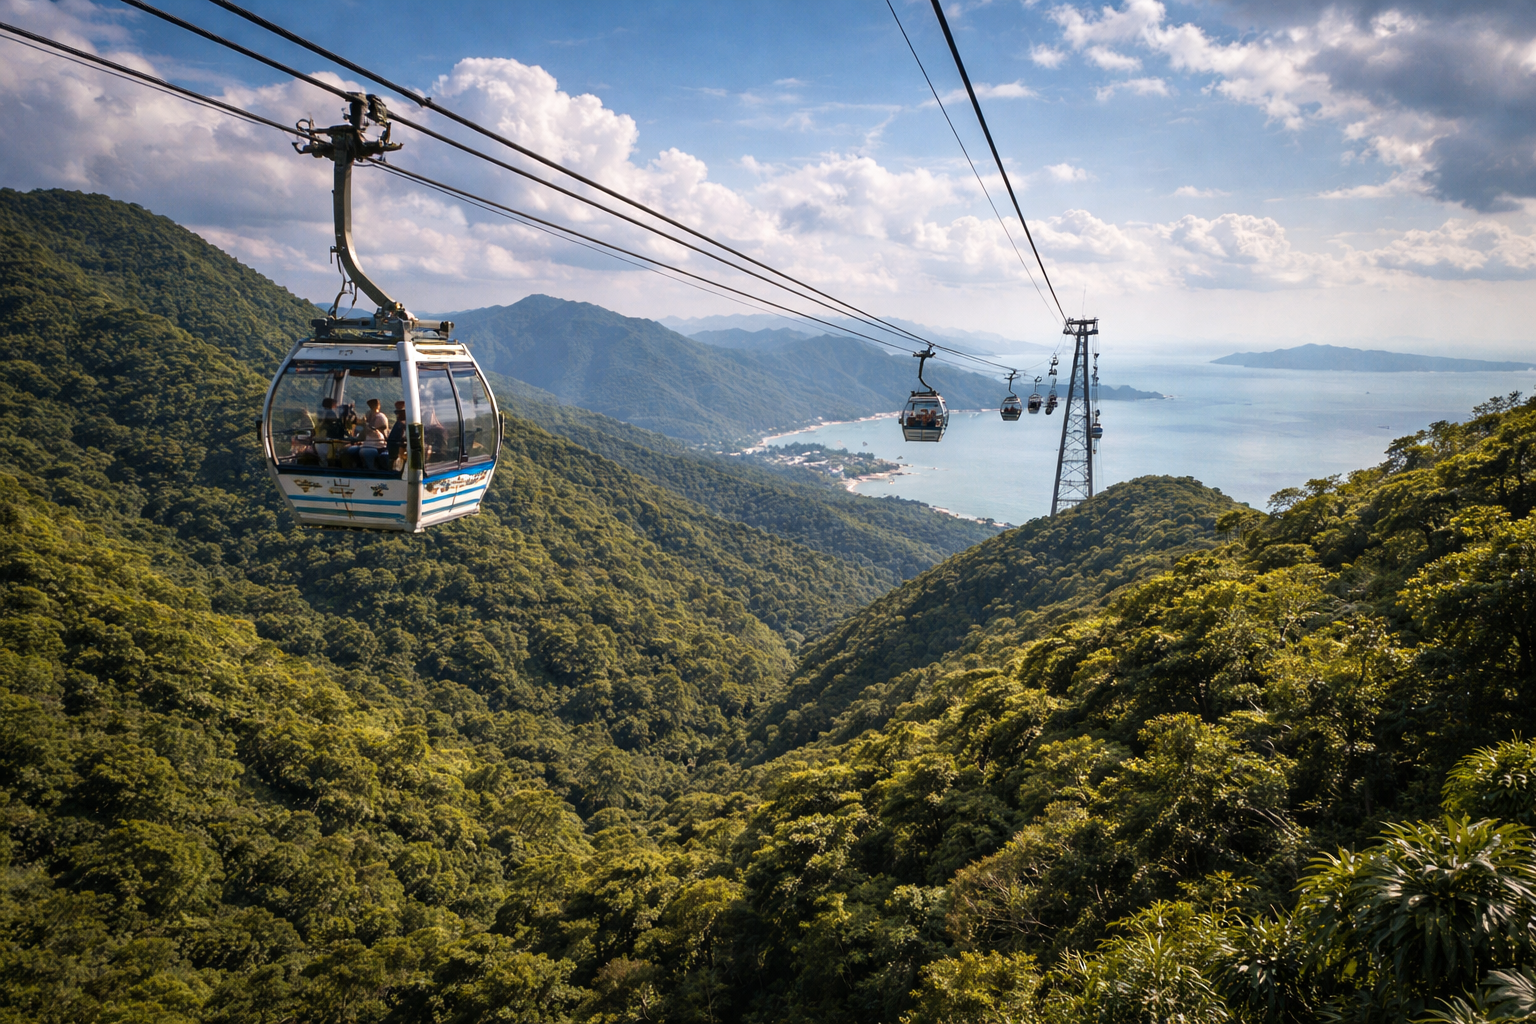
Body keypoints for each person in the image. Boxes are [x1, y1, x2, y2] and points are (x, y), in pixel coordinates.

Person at [387, 401, 408, 469]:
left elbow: (401, 440)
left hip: (398, 453)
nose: (398, 415)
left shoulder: (401, 424)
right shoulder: (399, 424)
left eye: (400, 413)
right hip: (394, 451)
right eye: (397, 413)